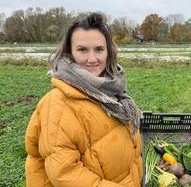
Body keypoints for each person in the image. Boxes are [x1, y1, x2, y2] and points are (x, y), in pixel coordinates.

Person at [25, 13, 143, 187]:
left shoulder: (111, 92)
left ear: (108, 52)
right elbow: (66, 173)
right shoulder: (57, 105)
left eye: (99, 49)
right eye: (82, 50)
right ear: (69, 53)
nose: (92, 59)